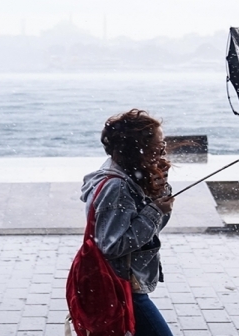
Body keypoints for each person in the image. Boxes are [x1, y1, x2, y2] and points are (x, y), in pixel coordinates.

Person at [79, 108, 175, 336]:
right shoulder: (117, 187)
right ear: (137, 148)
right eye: (158, 144)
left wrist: (158, 190)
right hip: (122, 284)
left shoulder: (128, 175)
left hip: (125, 282)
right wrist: (154, 210)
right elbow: (112, 245)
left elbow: (151, 230)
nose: (163, 149)